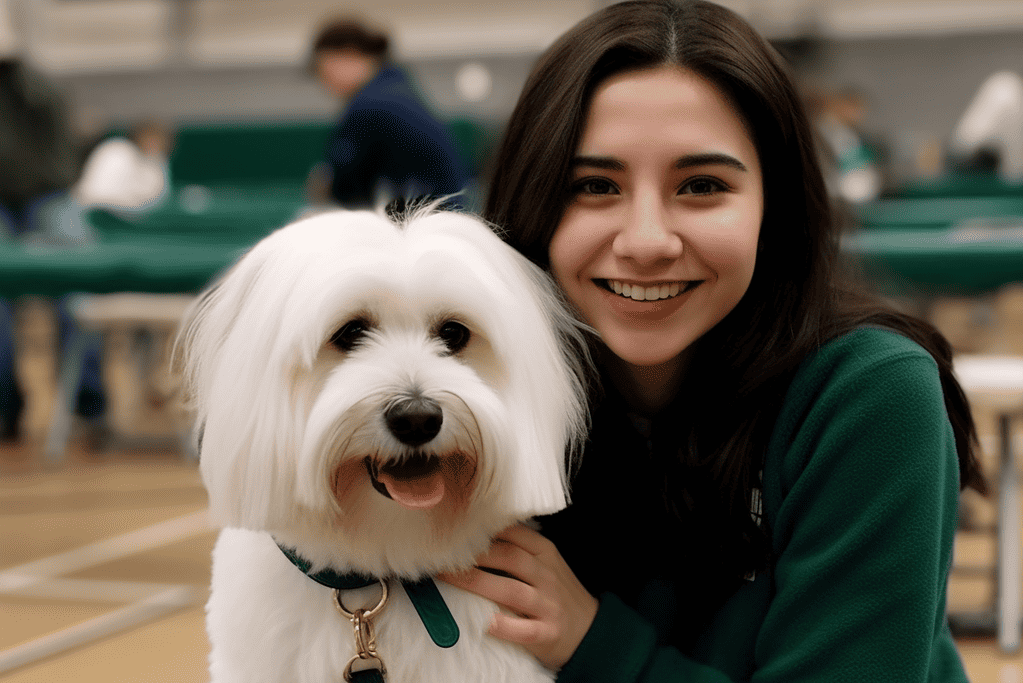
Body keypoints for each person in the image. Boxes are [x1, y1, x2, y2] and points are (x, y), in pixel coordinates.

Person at [437, 1, 986, 681]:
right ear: (533, 202)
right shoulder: (475, 394)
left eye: (701, 186)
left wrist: (596, 644)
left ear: (772, 208)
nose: (644, 241)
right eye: (593, 186)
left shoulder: (868, 395)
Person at [309, 18, 468, 208]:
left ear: (348, 53)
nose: (325, 83)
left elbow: (344, 187)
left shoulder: (370, 104)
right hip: (447, 213)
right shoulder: (394, 87)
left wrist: (326, 184)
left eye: (324, 70)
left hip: (430, 219)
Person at [73, 119, 173, 213]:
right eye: (150, 139)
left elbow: (156, 197)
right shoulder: (119, 152)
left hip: (110, 214)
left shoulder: (154, 163)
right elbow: (95, 198)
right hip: (89, 213)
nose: (153, 144)